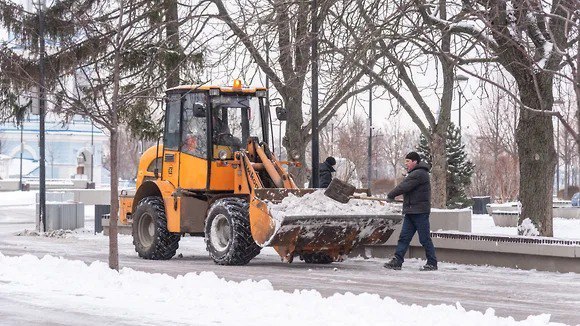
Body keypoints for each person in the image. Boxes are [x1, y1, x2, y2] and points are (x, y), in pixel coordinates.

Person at [383, 151, 437, 271]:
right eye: (405, 161)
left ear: (415, 162)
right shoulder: (415, 173)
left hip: (419, 212)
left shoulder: (419, 173)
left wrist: (391, 195)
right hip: (411, 211)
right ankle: (397, 261)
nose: (406, 164)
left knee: (424, 238)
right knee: (404, 237)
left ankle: (432, 262)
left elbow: (404, 186)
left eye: (408, 161)